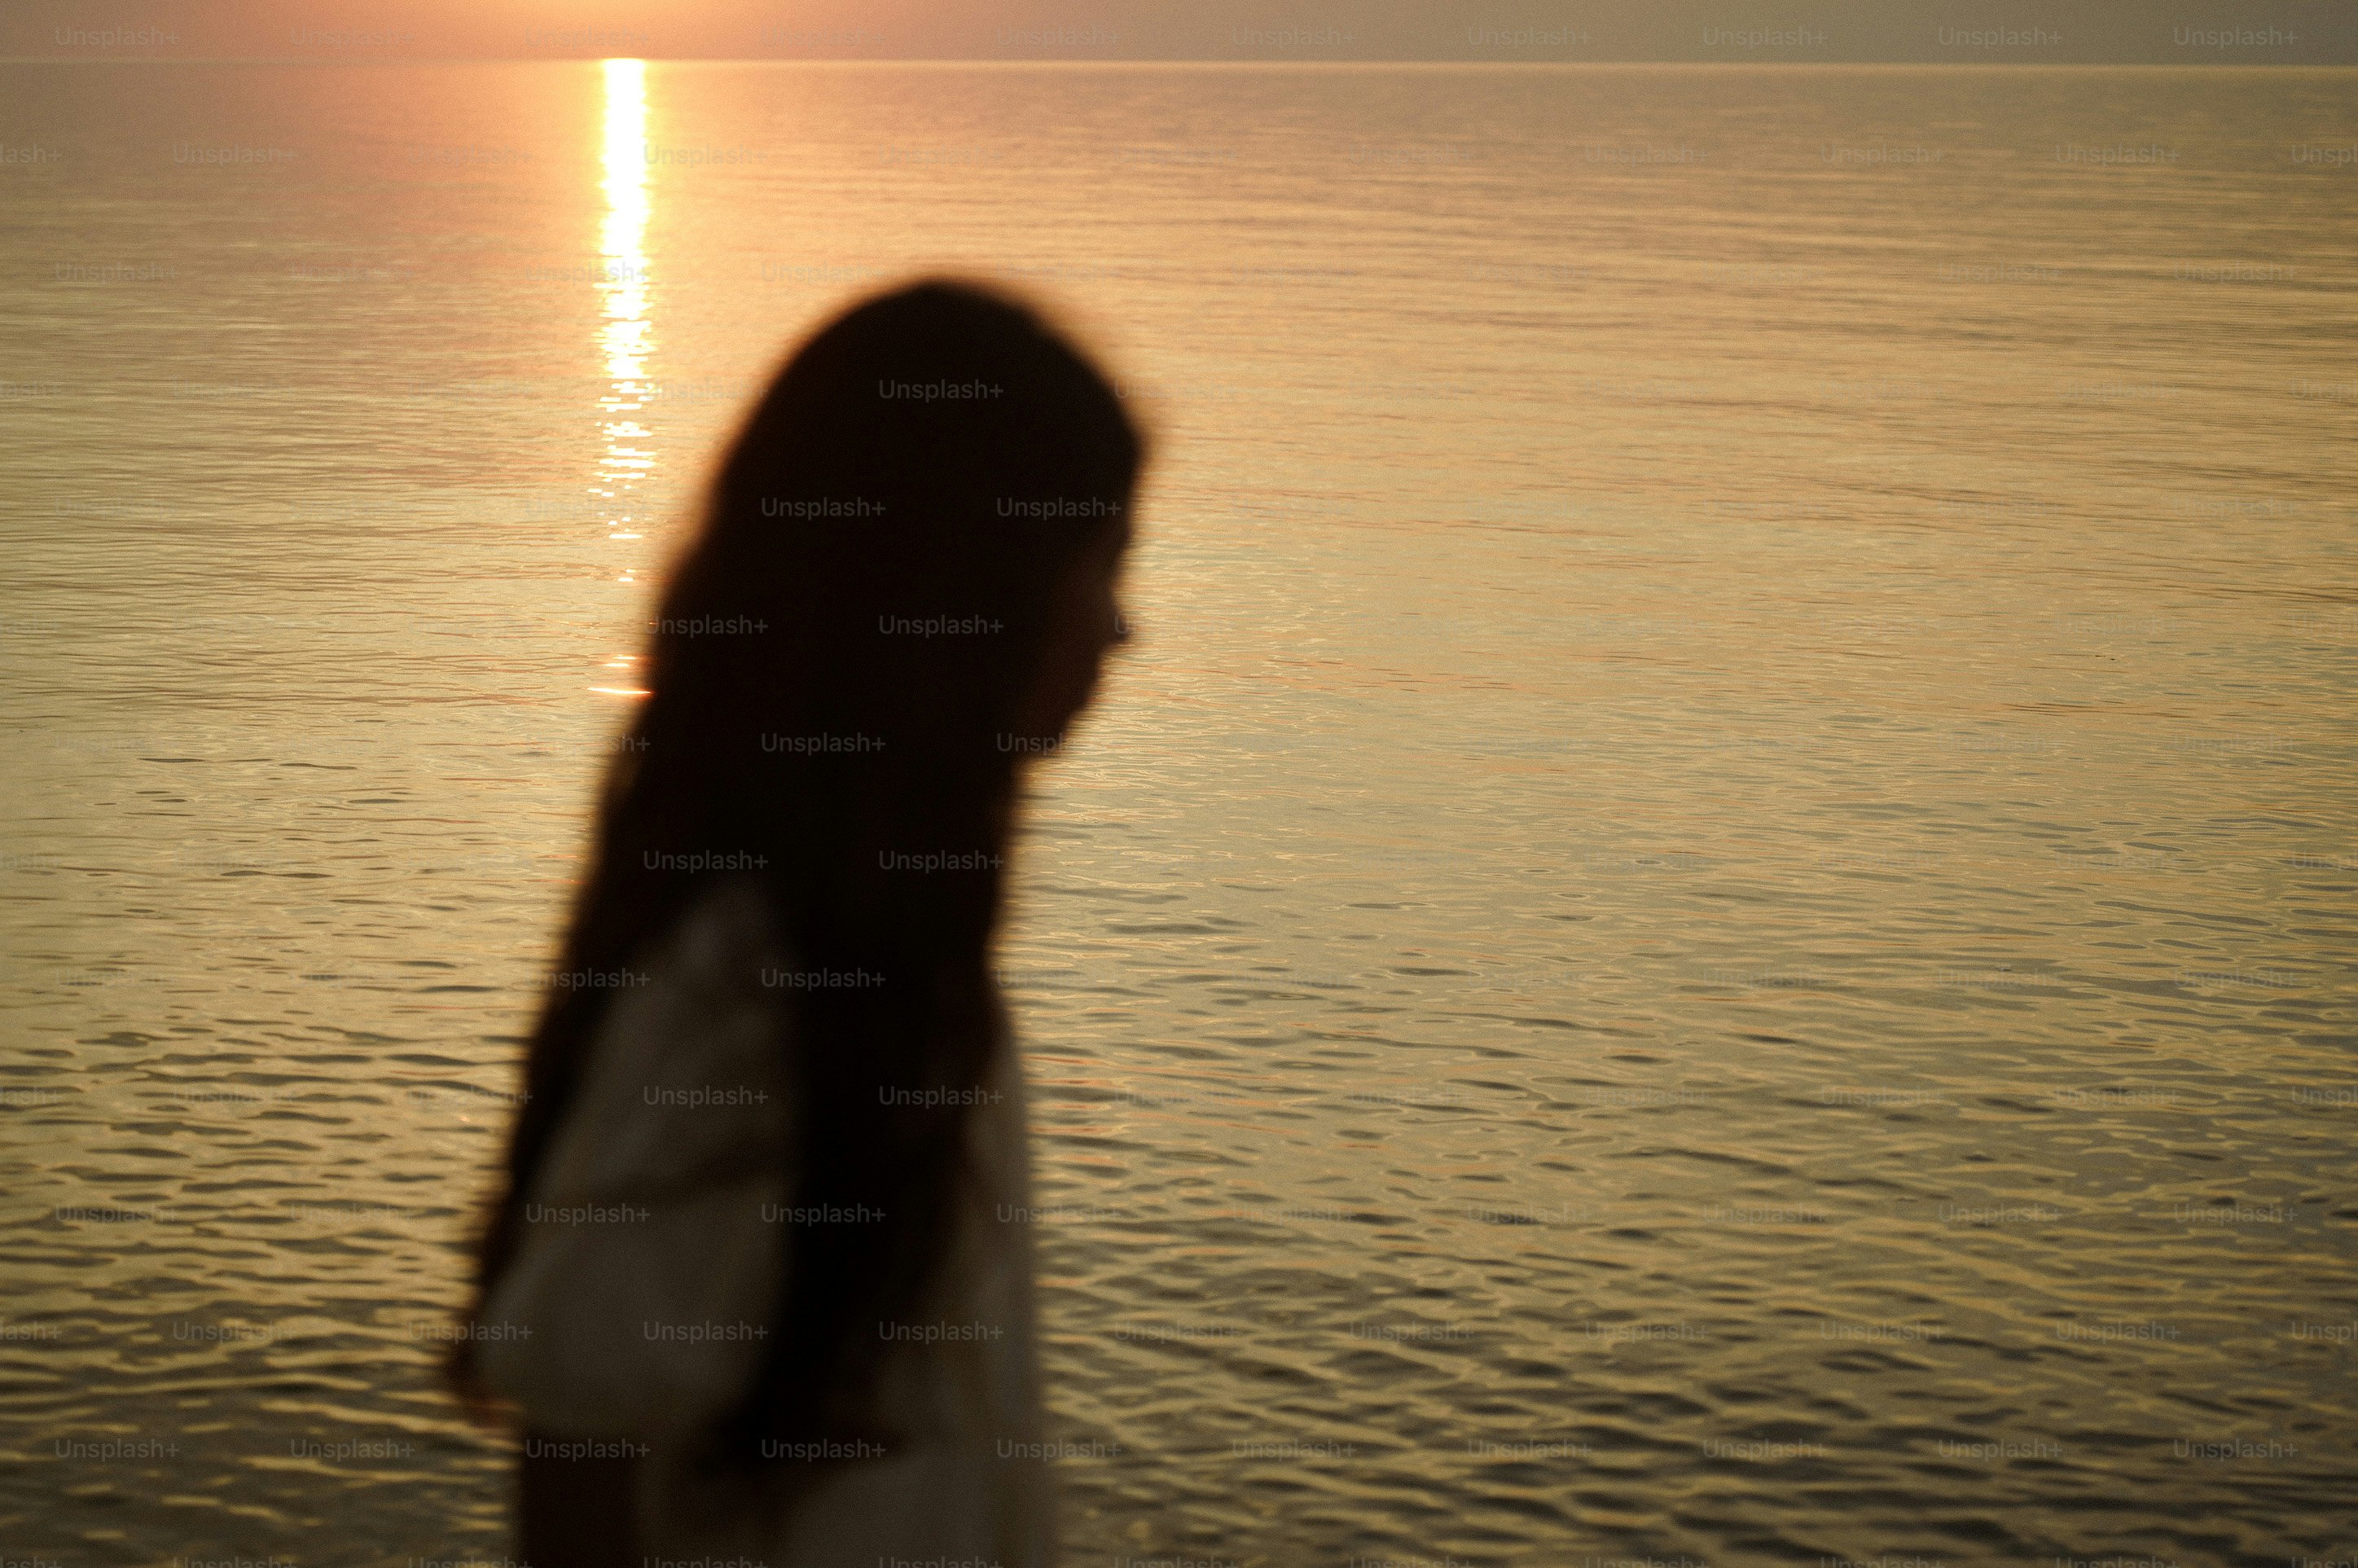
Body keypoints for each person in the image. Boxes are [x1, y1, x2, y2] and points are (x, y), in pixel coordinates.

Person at [446, 279, 1146, 1566]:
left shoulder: (897, 970)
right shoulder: (755, 994)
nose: (1121, 624)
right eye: (1096, 558)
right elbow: (582, 1438)